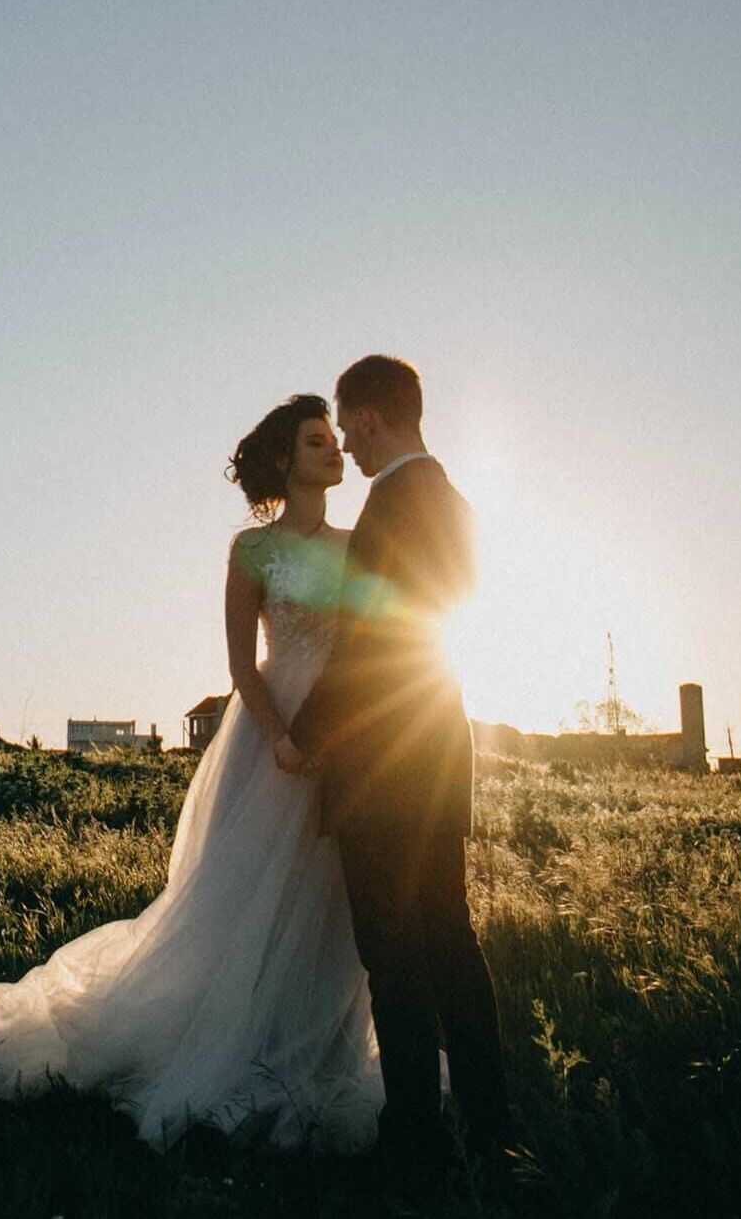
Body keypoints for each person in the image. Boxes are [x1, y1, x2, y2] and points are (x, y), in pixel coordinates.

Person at [0, 394, 382, 1153]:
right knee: (243, 905)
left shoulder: (362, 544)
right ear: (285, 461)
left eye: (334, 438)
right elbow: (240, 665)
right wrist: (282, 740)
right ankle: (225, 1047)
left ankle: (309, 1052)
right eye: (317, 441)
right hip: (271, 746)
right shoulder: (251, 552)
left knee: (331, 902)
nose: (334, 450)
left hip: (346, 732)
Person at [281, 354, 514, 1164]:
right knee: (451, 943)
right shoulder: (455, 502)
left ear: (372, 417)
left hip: (384, 768)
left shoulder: (388, 504)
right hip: (440, 751)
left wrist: (303, 735)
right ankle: (490, 1128)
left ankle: (413, 1135)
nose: (347, 441)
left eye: (348, 425)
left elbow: (368, 645)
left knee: (393, 959)